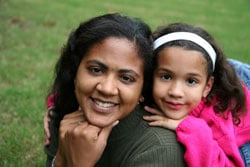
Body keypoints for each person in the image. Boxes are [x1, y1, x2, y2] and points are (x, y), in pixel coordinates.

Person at [44, 13, 186, 167]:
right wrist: (60, 159)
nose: (107, 88)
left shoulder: (160, 148)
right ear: (74, 71)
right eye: (96, 70)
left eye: (126, 78)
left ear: (142, 90)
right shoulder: (65, 119)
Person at [143, 22, 250, 167]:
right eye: (166, 77)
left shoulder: (217, 116)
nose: (176, 92)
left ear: (207, 87)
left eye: (191, 81)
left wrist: (192, 128)